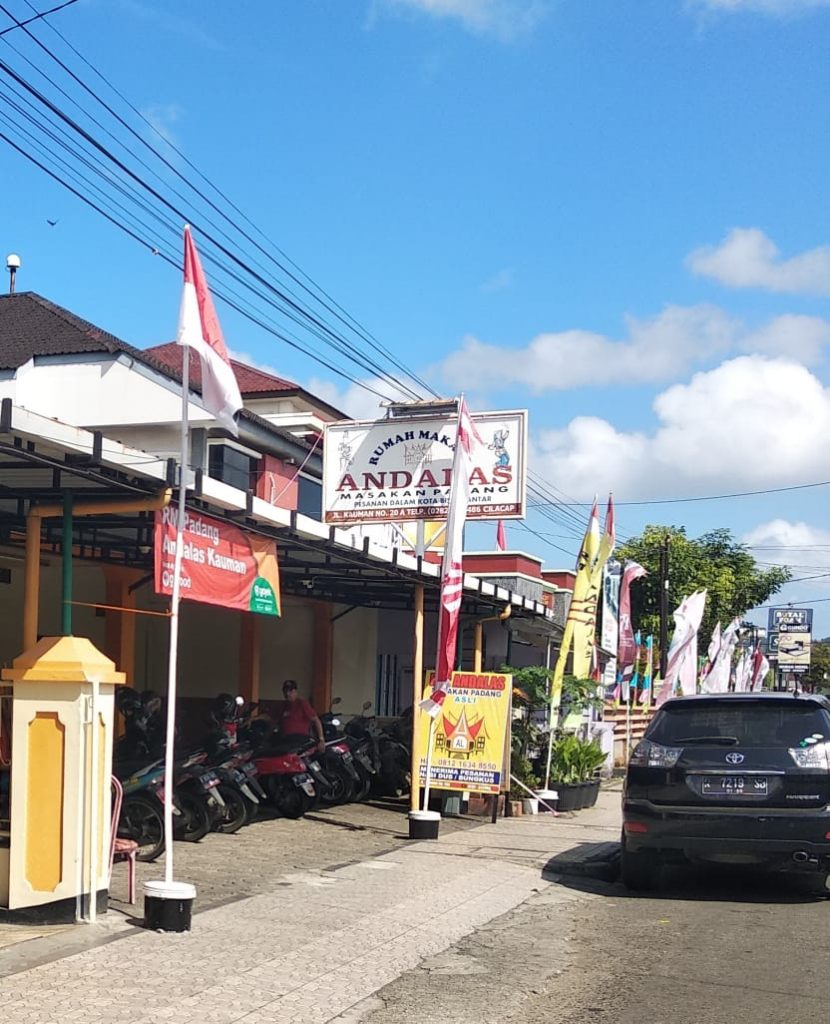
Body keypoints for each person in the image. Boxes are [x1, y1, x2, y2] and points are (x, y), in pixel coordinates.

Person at [278, 680, 326, 753]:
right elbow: (269, 717)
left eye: (290, 691)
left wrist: (321, 739)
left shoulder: (302, 703)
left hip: (300, 740)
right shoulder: (283, 706)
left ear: (295, 691)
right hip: (286, 740)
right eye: (285, 691)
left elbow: (316, 720)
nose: (287, 694)